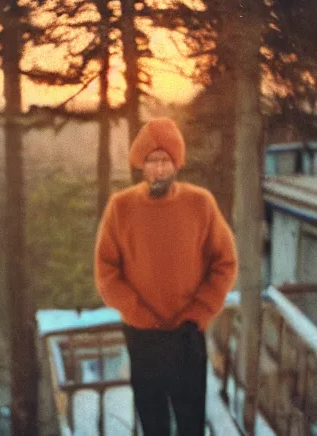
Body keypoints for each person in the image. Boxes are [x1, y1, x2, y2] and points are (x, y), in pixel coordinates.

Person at [94, 117, 238, 436]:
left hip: (188, 336)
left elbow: (224, 263)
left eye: (165, 161)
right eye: (152, 161)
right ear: (141, 166)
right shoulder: (121, 208)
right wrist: (138, 314)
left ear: (176, 164)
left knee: (190, 425)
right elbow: (106, 271)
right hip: (143, 337)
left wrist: (198, 314)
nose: (159, 169)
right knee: (154, 424)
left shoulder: (200, 204)